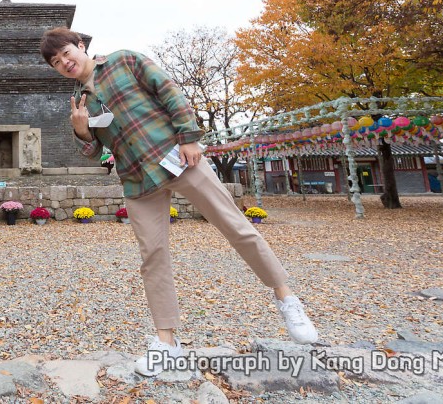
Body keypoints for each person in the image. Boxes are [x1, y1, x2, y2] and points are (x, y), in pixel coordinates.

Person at [40, 27, 318, 377]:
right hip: (138, 178)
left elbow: (170, 91)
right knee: (153, 257)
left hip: (177, 157)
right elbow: (93, 150)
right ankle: (167, 343)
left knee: (236, 227)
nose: (65, 62)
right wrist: (80, 129)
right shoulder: (80, 101)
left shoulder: (125, 60)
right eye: (56, 62)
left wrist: (189, 137)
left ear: (80, 46)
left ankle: (286, 297)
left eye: (67, 53)